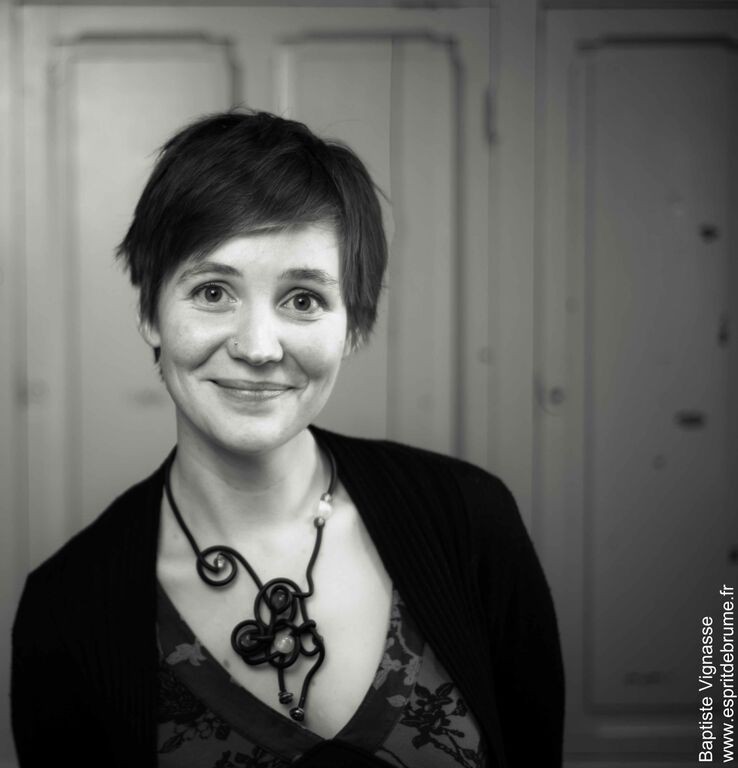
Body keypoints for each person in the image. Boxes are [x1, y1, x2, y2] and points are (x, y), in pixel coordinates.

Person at [11, 110, 564, 768]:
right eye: (212, 291)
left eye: (303, 299)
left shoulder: (470, 521)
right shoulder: (65, 612)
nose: (257, 347)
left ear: (354, 326)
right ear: (150, 312)